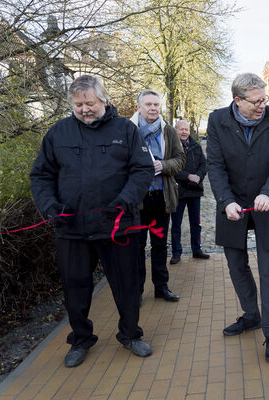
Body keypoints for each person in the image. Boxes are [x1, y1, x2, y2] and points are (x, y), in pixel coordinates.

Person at [30, 75, 155, 367]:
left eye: (90, 103)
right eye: (78, 105)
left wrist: (124, 201)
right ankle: (81, 339)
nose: (85, 109)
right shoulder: (58, 133)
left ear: (104, 100)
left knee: (126, 285)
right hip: (71, 229)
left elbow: (142, 170)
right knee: (75, 287)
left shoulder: (125, 129)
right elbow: (41, 176)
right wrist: (49, 206)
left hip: (117, 226)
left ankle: (130, 334)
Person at [207, 73, 269, 363]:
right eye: (256, 102)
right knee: (236, 265)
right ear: (237, 101)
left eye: (264, 99)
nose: (262, 106)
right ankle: (251, 315)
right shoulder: (217, 120)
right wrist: (226, 200)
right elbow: (215, 165)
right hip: (232, 203)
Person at [130, 90, 186, 302]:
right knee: (136, 247)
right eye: (148, 104)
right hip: (137, 201)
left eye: (156, 104)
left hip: (162, 198)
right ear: (139, 107)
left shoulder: (168, 131)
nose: (153, 108)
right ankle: (136, 292)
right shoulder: (128, 130)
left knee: (160, 245)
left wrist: (163, 165)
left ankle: (161, 287)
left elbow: (181, 160)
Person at [169, 119, 210, 265]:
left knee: (195, 223)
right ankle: (176, 253)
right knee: (176, 225)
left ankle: (196, 249)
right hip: (178, 191)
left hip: (194, 191)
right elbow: (171, 168)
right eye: (181, 129)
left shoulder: (196, 146)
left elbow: (204, 164)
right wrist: (188, 176)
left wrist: (199, 175)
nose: (184, 132)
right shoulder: (171, 147)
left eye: (186, 129)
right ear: (176, 131)